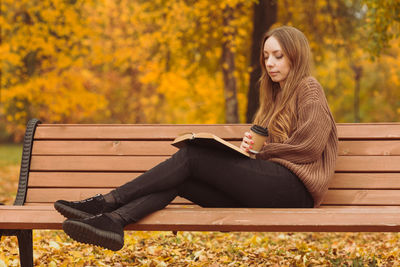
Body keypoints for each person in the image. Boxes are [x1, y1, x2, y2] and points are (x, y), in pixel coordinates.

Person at [54, 25, 338, 251]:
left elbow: (309, 146)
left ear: (295, 56)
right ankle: (114, 222)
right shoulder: (274, 98)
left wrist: (262, 153)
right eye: (265, 57)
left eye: (277, 56)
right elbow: (268, 153)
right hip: (271, 188)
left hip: (295, 190)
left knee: (192, 155)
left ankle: (107, 201)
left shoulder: (309, 88)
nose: (270, 63)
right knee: (184, 179)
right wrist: (247, 152)